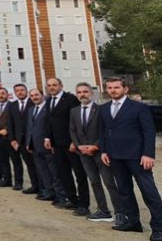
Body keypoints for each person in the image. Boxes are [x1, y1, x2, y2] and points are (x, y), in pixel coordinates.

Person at [100, 78, 162, 238]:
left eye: (116, 87)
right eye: (110, 88)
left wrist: (148, 154)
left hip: (137, 157)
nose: (113, 90)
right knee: (124, 191)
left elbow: (149, 132)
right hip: (115, 156)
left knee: (149, 192)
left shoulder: (139, 107)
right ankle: (133, 222)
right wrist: (104, 151)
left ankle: (159, 227)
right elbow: (103, 131)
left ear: (125, 89)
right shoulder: (104, 108)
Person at [69, 82, 121, 222]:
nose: (82, 94)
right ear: (76, 94)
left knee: (109, 182)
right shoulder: (74, 111)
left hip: (100, 152)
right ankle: (103, 211)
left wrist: (96, 146)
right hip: (83, 153)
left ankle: (121, 212)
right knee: (94, 182)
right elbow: (72, 130)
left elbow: (105, 131)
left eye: (85, 92)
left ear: (91, 93)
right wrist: (79, 146)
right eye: (79, 92)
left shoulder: (101, 110)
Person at [44, 78, 89, 211]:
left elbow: (76, 121)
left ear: (61, 86)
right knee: (64, 173)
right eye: (49, 85)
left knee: (79, 174)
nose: (52, 87)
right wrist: (48, 138)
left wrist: (74, 142)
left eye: (54, 85)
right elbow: (49, 121)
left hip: (71, 144)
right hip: (57, 144)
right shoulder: (48, 101)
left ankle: (84, 204)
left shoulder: (71, 99)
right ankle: (72, 200)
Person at [25, 88, 66, 203]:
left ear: (42, 95)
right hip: (35, 145)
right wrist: (28, 142)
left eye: (36, 95)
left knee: (54, 172)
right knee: (43, 170)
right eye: (32, 96)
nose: (34, 97)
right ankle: (49, 192)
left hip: (47, 145)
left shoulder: (49, 108)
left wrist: (51, 141)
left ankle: (61, 195)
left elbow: (52, 126)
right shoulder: (31, 109)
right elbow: (30, 127)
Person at [8, 84, 38, 193]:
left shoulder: (33, 103)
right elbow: (10, 123)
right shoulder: (13, 105)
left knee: (35, 164)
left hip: (32, 140)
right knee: (27, 163)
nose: (20, 92)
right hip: (19, 140)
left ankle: (40, 186)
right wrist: (12, 139)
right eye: (17, 91)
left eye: (22, 90)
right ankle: (33, 185)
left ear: (26, 91)